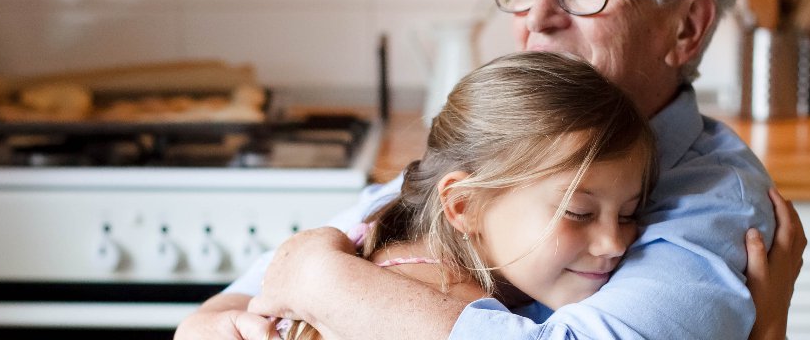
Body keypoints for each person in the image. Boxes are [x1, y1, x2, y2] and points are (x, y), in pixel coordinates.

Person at [177, 0, 807, 338]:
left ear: (686, 29)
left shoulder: (715, 201)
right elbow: (213, 316)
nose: (536, 18)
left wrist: (323, 282)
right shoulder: (506, 151)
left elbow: (300, 275)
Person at [277, 51, 658, 340]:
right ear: (465, 206)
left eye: (627, 213)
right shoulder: (435, 303)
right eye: (578, 211)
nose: (614, 243)